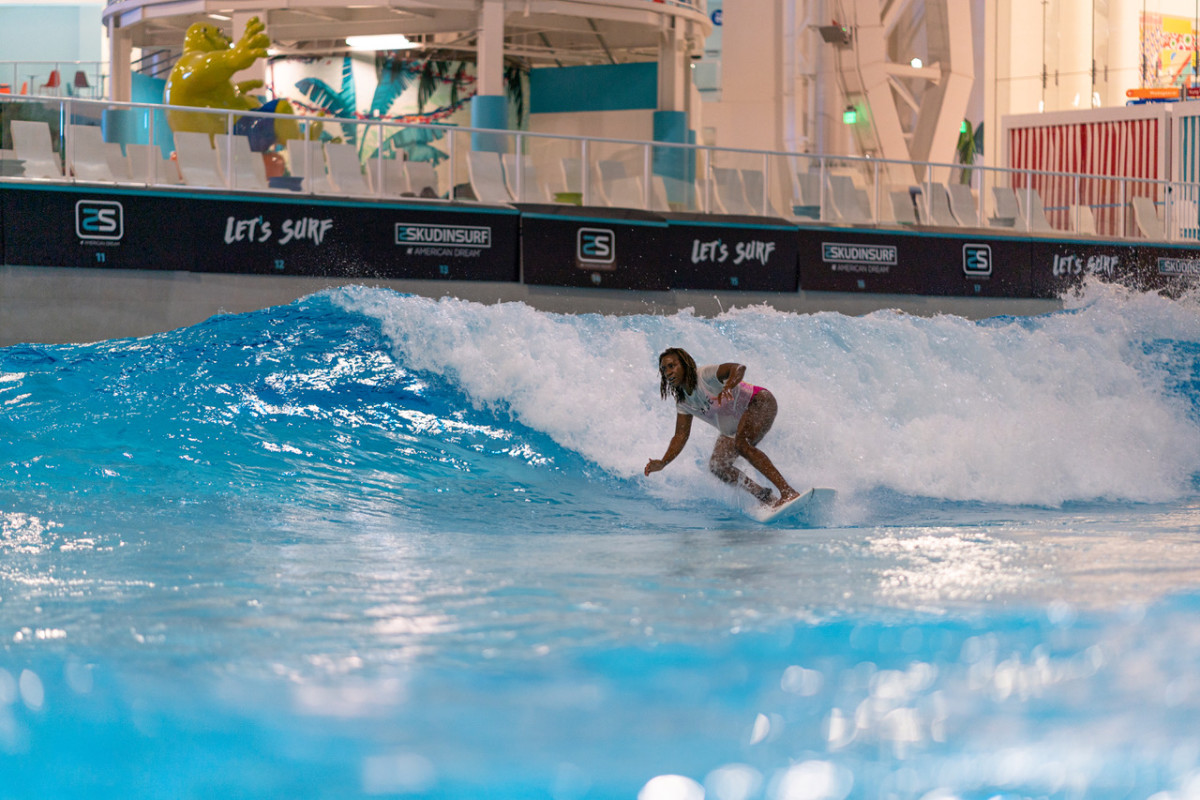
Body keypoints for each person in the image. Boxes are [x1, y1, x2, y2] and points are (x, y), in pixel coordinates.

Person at [644, 347, 800, 508]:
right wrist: (663, 462)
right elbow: (680, 436)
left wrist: (729, 385)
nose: (668, 372)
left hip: (759, 402)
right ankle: (765, 497)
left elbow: (738, 368)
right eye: (664, 369)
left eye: (672, 366)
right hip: (736, 426)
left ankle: (788, 492)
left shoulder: (704, 375)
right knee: (718, 466)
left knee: (742, 444)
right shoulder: (683, 402)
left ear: (685, 364)